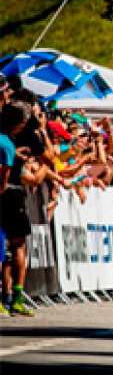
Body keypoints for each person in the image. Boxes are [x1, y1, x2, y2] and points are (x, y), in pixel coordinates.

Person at [0, 102, 33, 316]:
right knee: (18, 246)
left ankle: (6, 298)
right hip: (10, 195)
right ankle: (16, 298)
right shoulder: (7, 145)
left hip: (8, 194)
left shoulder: (8, 144)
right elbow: (3, 178)